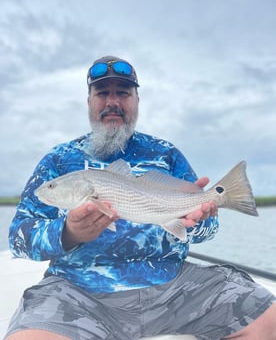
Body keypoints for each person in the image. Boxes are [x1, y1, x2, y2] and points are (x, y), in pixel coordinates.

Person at [5, 55, 276, 340]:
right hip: (79, 293)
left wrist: (198, 220)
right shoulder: (58, 160)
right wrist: (68, 232)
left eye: (122, 93)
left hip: (175, 288)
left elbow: (207, 231)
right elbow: (19, 238)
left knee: (270, 320)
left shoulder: (165, 154)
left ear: (136, 101)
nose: (112, 102)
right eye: (102, 93)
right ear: (89, 102)